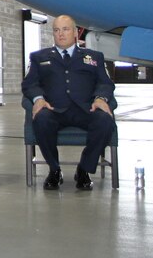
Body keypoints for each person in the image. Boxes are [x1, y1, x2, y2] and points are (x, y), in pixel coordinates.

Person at [21, 14, 115, 191]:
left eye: (65, 29)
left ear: (76, 32)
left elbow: (105, 82)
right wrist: (38, 99)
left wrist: (101, 98)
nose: (61, 34)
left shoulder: (94, 57)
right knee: (41, 119)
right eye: (56, 30)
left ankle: (84, 169)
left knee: (105, 121)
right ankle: (54, 170)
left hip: (86, 109)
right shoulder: (38, 57)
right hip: (54, 109)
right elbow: (29, 83)